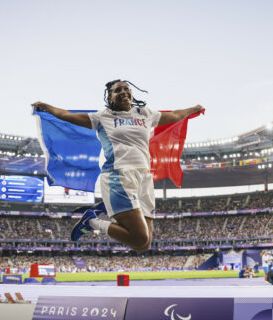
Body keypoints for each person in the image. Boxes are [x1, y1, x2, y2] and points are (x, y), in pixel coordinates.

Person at [32, 79, 203, 253]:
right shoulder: (102, 117)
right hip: (119, 176)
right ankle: (91, 221)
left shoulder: (144, 113)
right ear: (110, 98)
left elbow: (174, 115)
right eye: (117, 90)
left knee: (144, 245)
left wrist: (193, 109)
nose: (123, 92)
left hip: (144, 178)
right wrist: (48, 107)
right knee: (139, 239)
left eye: (126, 88)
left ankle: (107, 208)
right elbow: (69, 116)